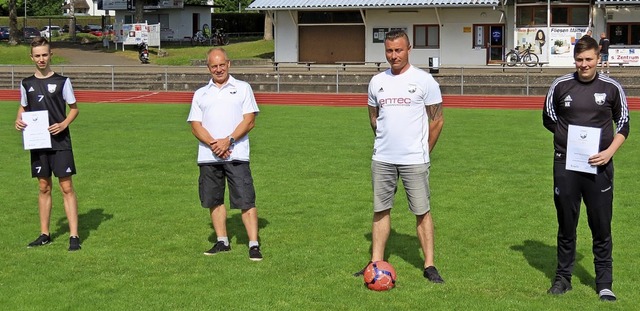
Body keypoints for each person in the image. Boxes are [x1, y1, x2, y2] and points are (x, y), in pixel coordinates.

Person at [543, 35, 629, 301]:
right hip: (566, 164)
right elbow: (549, 118)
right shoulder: (560, 85)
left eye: (589, 59)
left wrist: (608, 152)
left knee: (601, 224)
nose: (584, 64)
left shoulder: (612, 87)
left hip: (600, 166)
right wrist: (570, 142)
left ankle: (604, 283)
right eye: (579, 59)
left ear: (598, 59)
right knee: (566, 224)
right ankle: (563, 279)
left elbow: (624, 124)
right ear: (574, 60)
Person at [355, 29, 445, 283]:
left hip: (414, 159)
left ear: (409, 49)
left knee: (421, 211)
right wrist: (384, 141)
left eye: (398, 50)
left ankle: (429, 265)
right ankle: (376, 262)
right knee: (381, 209)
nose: (394, 56)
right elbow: (374, 117)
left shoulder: (424, 81)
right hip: (382, 158)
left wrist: (424, 150)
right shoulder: (377, 82)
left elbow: (437, 120)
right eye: (389, 51)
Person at [187, 47, 262, 261]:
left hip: (236, 154)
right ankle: (222, 241)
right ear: (208, 68)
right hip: (209, 156)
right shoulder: (200, 93)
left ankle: (254, 244)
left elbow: (249, 121)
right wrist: (214, 144)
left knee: (246, 199)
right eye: (214, 66)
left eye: (222, 65)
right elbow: (195, 125)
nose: (218, 69)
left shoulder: (243, 88)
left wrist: (228, 140)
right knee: (214, 199)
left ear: (228, 64)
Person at [14, 37, 81, 251]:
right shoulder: (26, 83)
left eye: (45, 55)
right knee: (43, 187)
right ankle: (44, 234)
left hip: (60, 142)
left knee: (66, 186)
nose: (41, 59)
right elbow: (23, 108)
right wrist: (18, 120)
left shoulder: (63, 81)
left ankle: (74, 236)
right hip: (38, 142)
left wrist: (63, 124)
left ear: (51, 55)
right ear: (31, 57)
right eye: (37, 55)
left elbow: (74, 109)